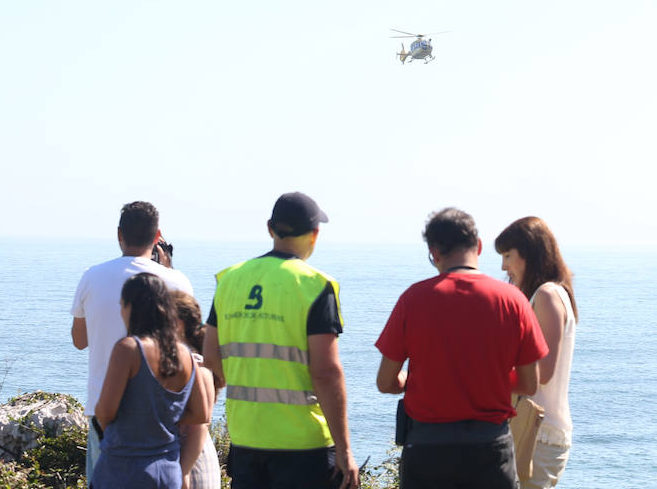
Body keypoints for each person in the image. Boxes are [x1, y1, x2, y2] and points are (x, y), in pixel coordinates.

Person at [375, 207, 549, 489]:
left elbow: (385, 382)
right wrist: (481, 380)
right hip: (489, 449)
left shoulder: (413, 299)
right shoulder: (513, 301)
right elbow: (530, 384)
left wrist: (418, 380)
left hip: (427, 449)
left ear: (434, 253)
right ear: (478, 247)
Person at [203, 192, 360, 489]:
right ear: (315, 235)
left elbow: (210, 357)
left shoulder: (229, 280)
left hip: (247, 437)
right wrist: (345, 449)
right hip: (304, 445)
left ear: (270, 228)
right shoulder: (314, 285)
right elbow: (325, 372)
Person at [71, 201, 194, 483]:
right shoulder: (177, 281)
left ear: (119, 234)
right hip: (161, 414)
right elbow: (189, 347)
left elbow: (79, 340)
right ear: (157, 236)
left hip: (103, 409)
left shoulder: (92, 276)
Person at [92, 273, 210, 489]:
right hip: (168, 471)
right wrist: (159, 416)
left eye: (122, 305)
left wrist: (135, 421)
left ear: (131, 306)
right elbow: (202, 414)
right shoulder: (184, 354)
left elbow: (105, 411)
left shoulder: (128, 349)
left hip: (124, 468)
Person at [496, 217, 578, 489]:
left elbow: (543, 371)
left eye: (508, 255)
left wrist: (485, 374)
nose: (503, 265)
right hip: (532, 429)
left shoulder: (546, 295)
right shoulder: (545, 294)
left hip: (539, 433)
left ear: (529, 253)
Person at [173, 291, 221, 489]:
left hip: (191, 460)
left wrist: (183, 472)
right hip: (191, 456)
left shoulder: (192, 362)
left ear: (178, 323)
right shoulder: (191, 358)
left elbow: (200, 424)